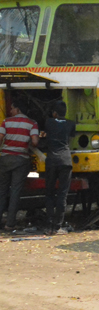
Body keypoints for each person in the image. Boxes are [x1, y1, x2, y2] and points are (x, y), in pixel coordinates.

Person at [0, 97, 39, 232]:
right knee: (15, 191)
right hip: (21, 160)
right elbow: (34, 142)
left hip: (5, 159)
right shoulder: (32, 123)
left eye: (12, 108)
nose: (10, 111)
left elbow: (0, 139)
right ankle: (10, 224)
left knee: (2, 191)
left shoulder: (6, 122)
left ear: (18, 109)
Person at [42, 100, 76, 234]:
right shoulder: (70, 124)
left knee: (49, 192)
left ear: (54, 113)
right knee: (62, 194)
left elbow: (45, 135)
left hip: (51, 161)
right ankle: (58, 226)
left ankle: (49, 223)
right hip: (66, 161)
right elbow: (70, 138)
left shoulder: (49, 122)